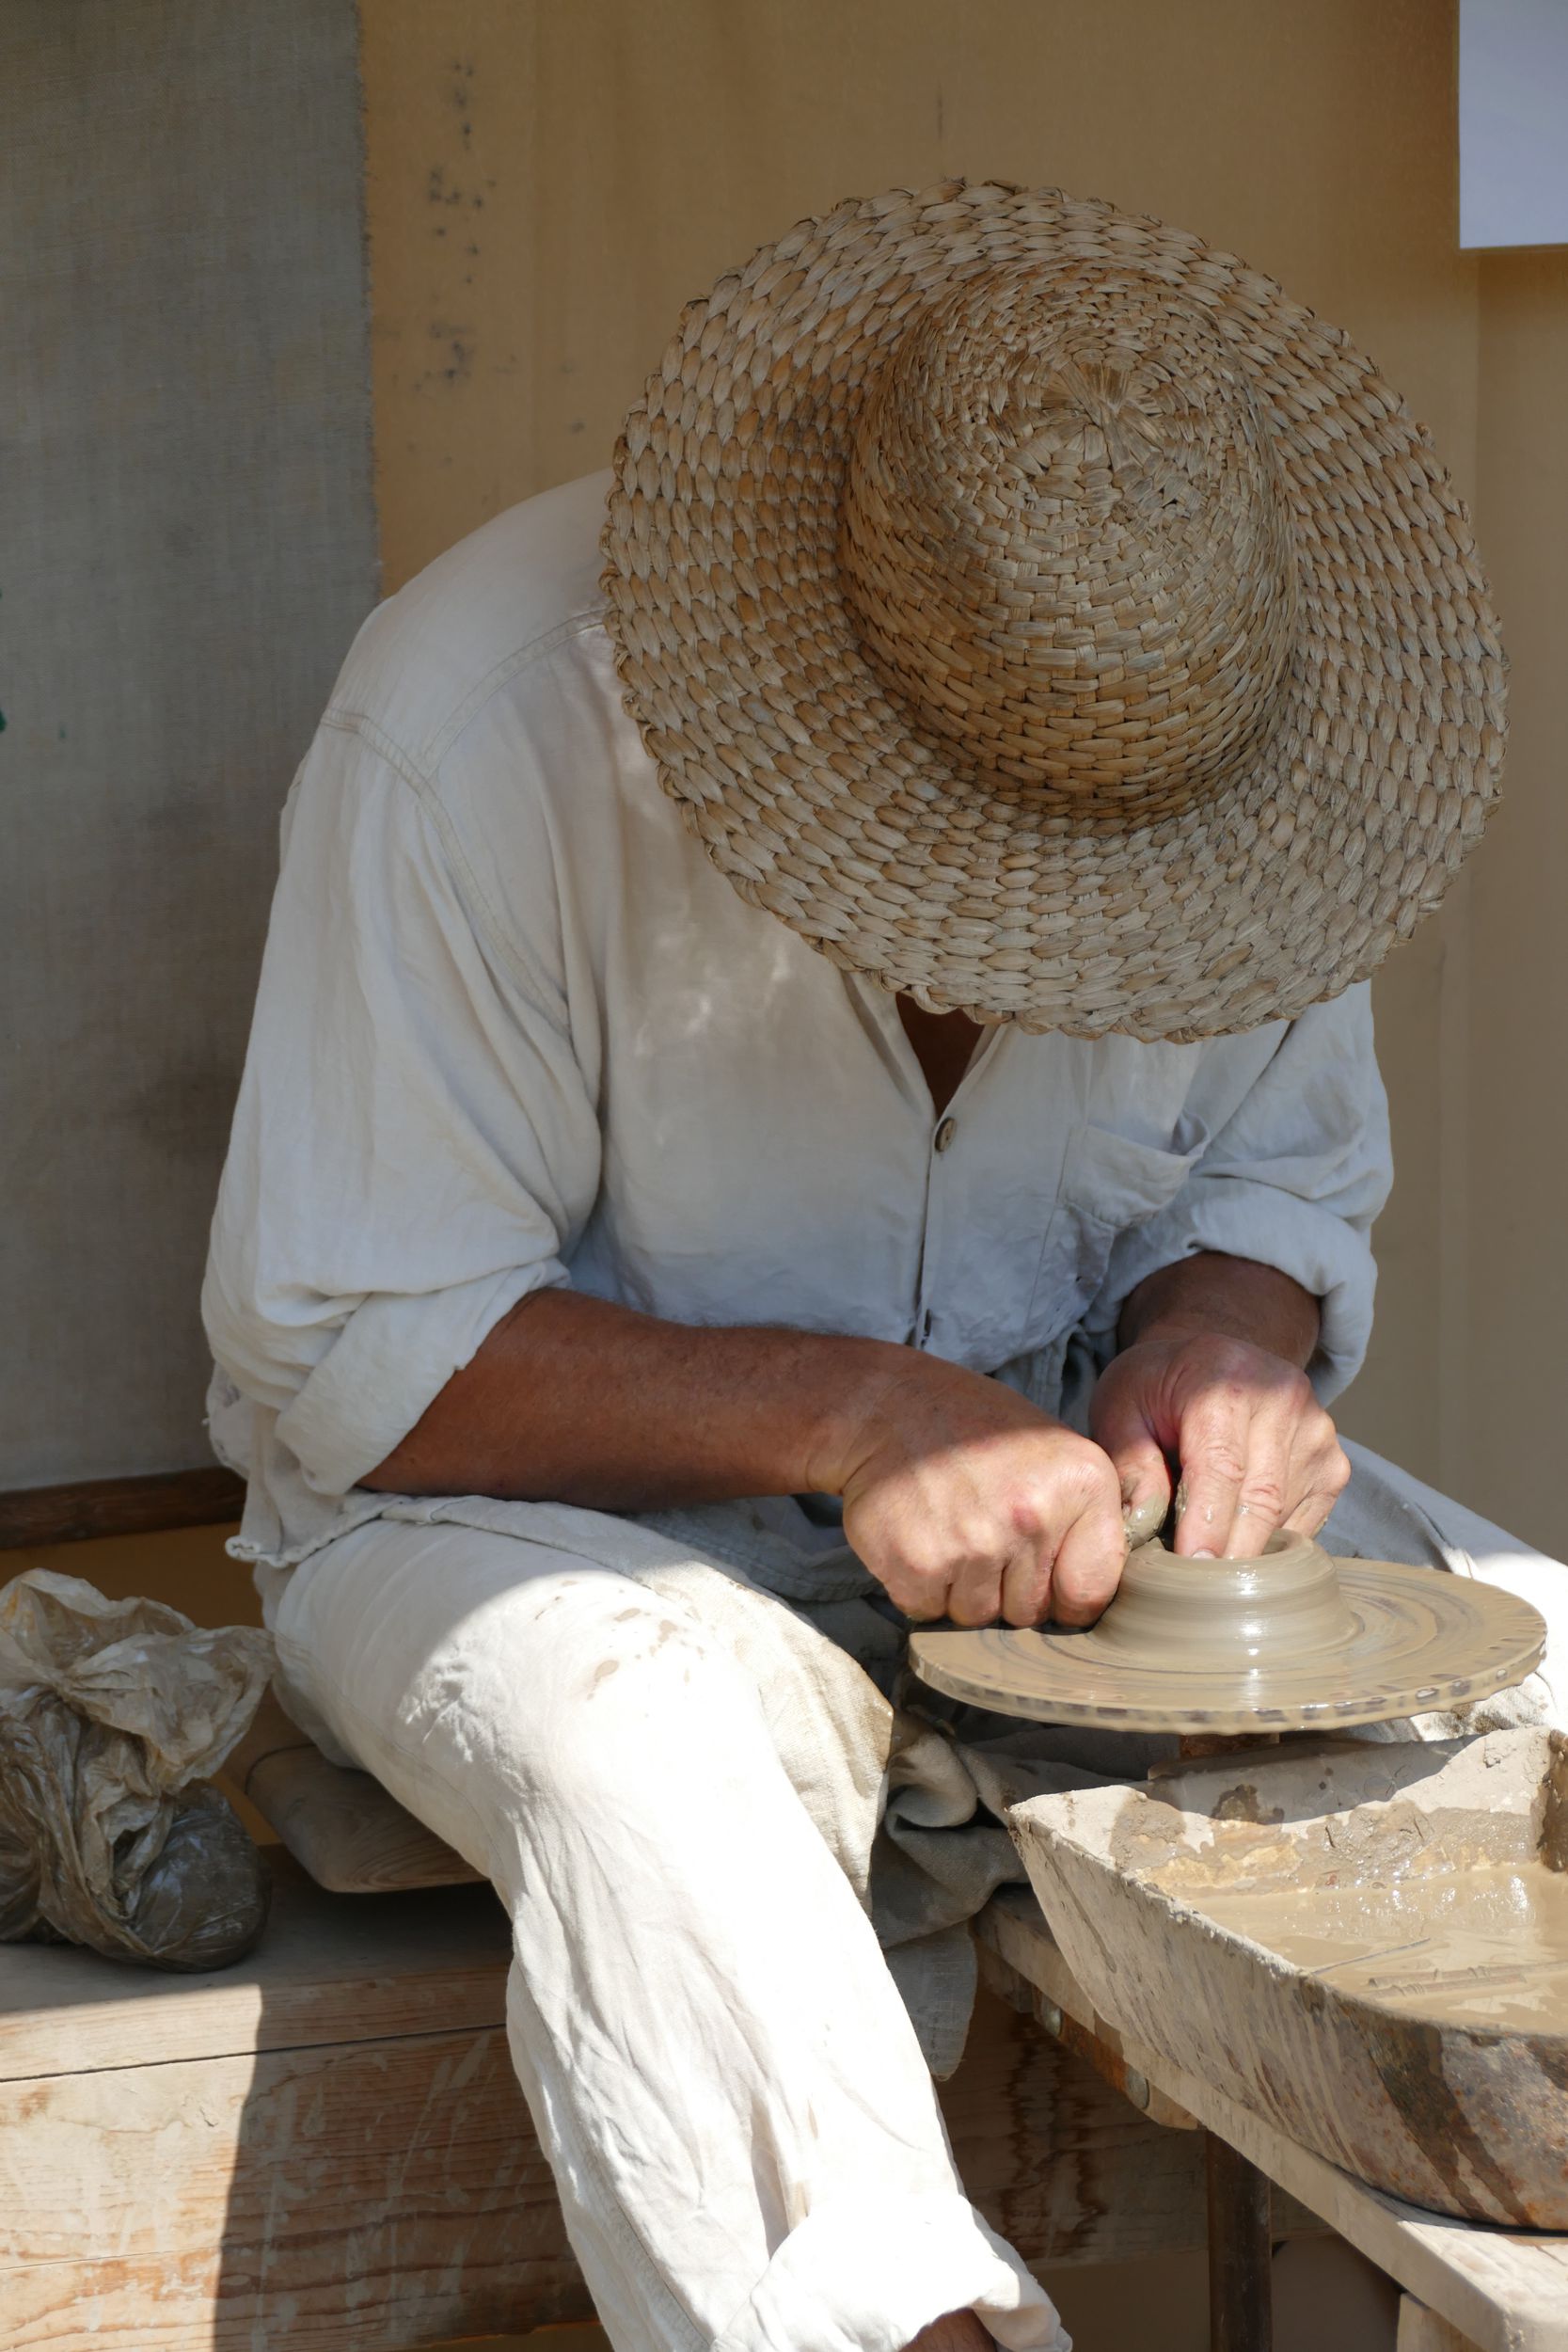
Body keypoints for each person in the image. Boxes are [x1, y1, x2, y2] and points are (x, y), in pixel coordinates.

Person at [203, 183, 1560, 2352]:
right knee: (648, 1752)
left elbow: (1276, 1190)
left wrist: (1225, 1338)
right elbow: (353, 1341)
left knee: (1545, 1661)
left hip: (1073, 1546)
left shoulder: (1244, 729)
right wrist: (848, 1413)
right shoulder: (482, 725)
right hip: (508, 1522)